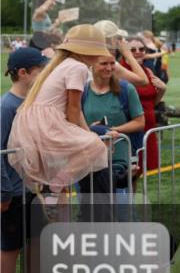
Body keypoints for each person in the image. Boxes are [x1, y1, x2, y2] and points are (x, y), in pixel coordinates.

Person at [7, 24, 112, 198]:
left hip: (34, 123)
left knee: (92, 142)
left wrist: (86, 133)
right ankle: (55, 185)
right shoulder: (78, 68)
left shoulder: (62, 64)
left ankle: (51, 187)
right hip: (47, 124)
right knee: (97, 147)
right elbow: (74, 106)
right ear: (88, 50)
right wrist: (77, 133)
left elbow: (75, 110)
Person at [1, 48, 49, 273]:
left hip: (30, 187)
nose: (44, 77)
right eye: (40, 71)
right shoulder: (6, 107)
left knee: (35, 240)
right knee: (9, 247)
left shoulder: (29, 104)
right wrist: (4, 191)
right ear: (23, 73)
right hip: (11, 191)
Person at [81, 55, 145, 200]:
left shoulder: (126, 89)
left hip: (119, 162)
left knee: (122, 214)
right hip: (88, 163)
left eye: (112, 63)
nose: (109, 68)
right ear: (91, 64)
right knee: (89, 213)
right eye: (104, 64)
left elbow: (140, 122)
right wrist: (91, 130)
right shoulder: (82, 92)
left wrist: (113, 130)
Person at [123, 38, 167, 171]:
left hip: (149, 127)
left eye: (141, 49)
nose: (137, 52)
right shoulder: (121, 70)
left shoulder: (147, 71)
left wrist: (163, 89)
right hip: (130, 128)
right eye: (132, 50)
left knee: (138, 173)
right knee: (127, 174)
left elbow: (152, 102)